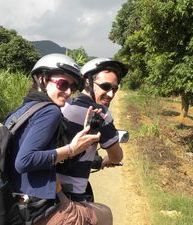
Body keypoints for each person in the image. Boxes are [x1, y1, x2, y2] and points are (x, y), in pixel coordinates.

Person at [5, 53, 102, 225]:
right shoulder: (51, 111)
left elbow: (49, 159)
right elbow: (24, 161)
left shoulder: (25, 109)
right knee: (104, 213)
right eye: (63, 84)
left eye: (72, 87)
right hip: (36, 209)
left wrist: (79, 144)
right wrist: (71, 149)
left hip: (15, 202)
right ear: (42, 80)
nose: (68, 92)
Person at [57, 58, 128, 225]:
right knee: (106, 214)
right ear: (88, 82)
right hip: (71, 196)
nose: (110, 94)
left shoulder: (63, 105)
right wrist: (105, 161)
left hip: (44, 191)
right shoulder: (99, 113)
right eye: (105, 87)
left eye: (114, 89)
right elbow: (117, 156)